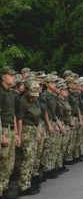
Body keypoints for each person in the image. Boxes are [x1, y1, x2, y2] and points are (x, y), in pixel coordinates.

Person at [16, 80, 42, 196]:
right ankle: (24, 186)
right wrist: (19, 136)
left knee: (33, 157)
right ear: (26, 90)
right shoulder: (22, 101)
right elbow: (19, 120)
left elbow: (38, 116)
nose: (33, 96)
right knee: (27, 159)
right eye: (32, 93)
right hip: (26, 130)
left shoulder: (35, 100)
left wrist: (38, 129)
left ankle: (28, 182)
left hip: (34, 129)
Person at [0, 66, 20, 198]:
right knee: (3, 161)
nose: (13, 77)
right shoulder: (1, 92)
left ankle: (4, 187)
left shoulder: (10, 93)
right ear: (3, 77)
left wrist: (17, 133)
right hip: (4, 129)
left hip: (12, 130)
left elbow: (13, 115)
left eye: (14, 75)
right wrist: (2, 135)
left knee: (10, 162)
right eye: (11, 75)